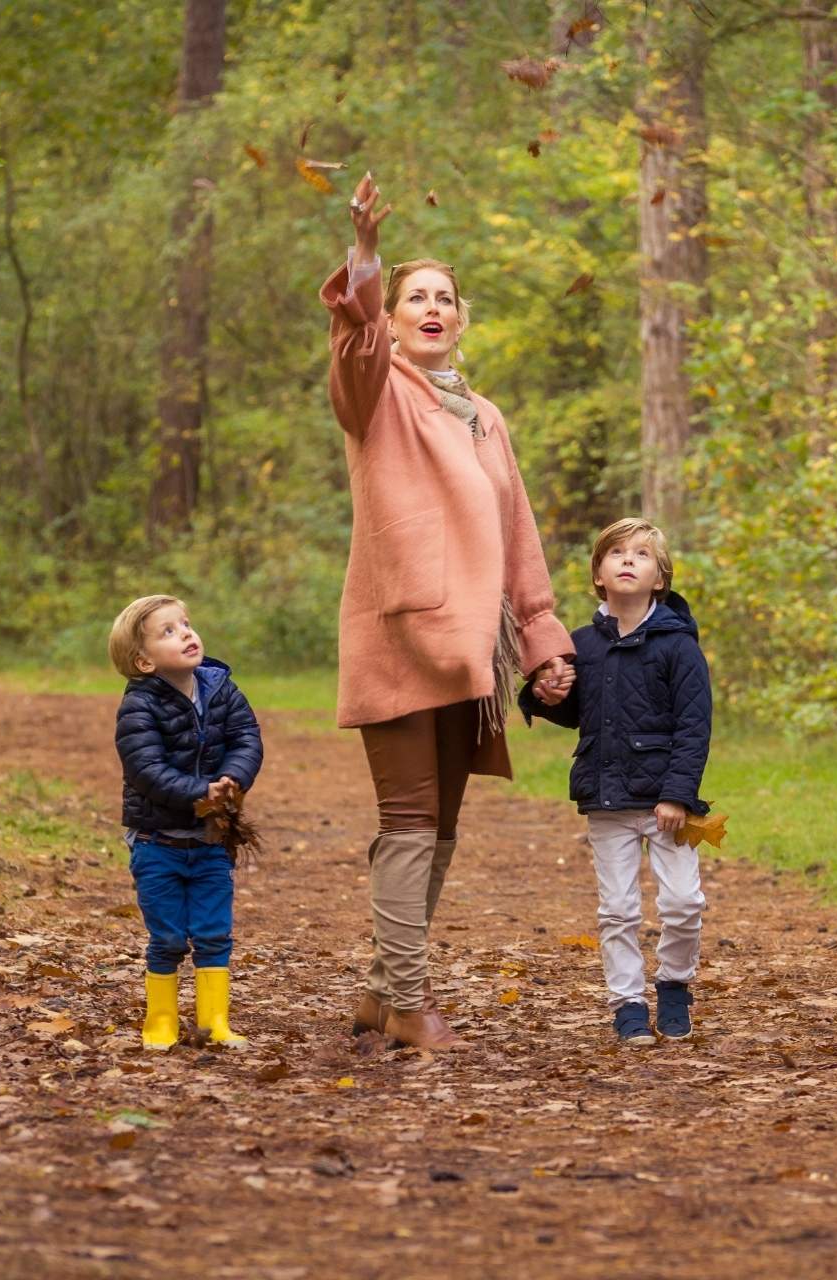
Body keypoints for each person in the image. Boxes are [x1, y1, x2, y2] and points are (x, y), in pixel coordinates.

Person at [321, 172, 575, 1051]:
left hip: (473, 651)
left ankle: (381, 989)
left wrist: (542, 642)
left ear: (462, 319)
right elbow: (351, 348)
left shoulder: (485, 416)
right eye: (414, 298)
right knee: (409, 823)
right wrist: (364, 256)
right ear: (391, 320)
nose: (431, 309)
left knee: (444, 828)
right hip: (402, 636)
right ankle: (408, 1003)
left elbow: (518, 535)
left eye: (445, 299)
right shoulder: (377, 391)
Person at [522, 517, 712, 1045]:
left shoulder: (679, 646)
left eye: (641, 554)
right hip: (606, 800)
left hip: (666, 805)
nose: (628, 560)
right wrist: (545, 691)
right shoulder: (581, 644)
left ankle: (674, 983)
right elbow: (572, 706)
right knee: (619, 910)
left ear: (660, 579)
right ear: (599, 575)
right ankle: (627, 1002)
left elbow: (694, 726)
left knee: (683, 903)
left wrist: (677, 793)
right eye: (616, 553)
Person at [109, 594, 264, 1051]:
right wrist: (200, 790)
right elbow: (145, 769)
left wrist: (235, 776)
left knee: (215, 932)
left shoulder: (221, 689)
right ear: (144, 661)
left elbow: (247, 737)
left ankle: (215, 1020)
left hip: (211, 838)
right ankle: (161, 1020)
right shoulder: (139, 707)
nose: (187, 634)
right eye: (169, 632)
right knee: (169, 936)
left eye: (187, 624)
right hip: (157, 842)